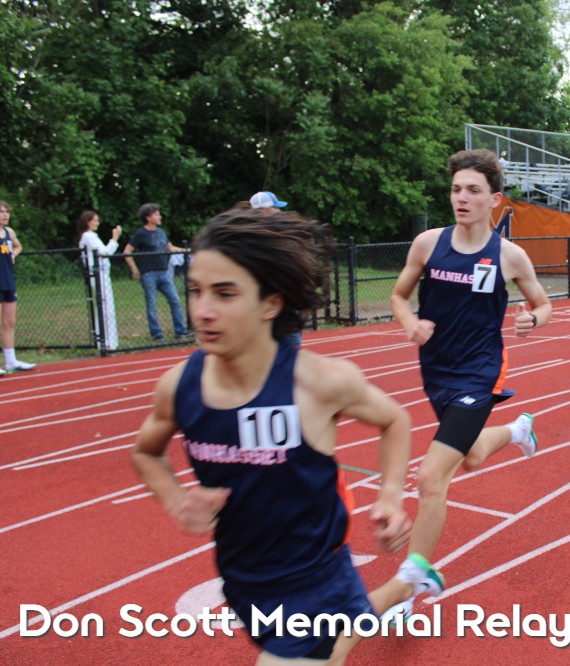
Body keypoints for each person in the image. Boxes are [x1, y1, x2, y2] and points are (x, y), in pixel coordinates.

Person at [131, 208, 442, 665]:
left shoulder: (317, 382)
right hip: (244, 579)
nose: (203, 310)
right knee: (333, 651)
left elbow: (394, 420)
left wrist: (391, 497)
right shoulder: (179, 386)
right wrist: (175, 500)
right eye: (195, 291)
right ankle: (404, 585)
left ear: (270, 304)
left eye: (225, 294)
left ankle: (397, 587)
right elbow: (146, 452)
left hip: (316, 579)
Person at [388, 148, 552, 615]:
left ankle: (408, 588)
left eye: (473, 190)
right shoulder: (428, 244)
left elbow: (543, 304)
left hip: (480, 372)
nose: (462, 198)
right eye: (457, 189)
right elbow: (399, 296)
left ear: (494, 200)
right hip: (436, 369)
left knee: (432, 476)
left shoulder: (509, 256)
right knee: (473, 456)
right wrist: (410, 323)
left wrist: (532, 320)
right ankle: (517, 431)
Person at [124, 204, 189, 341]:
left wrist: (187, 250)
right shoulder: (140, 234)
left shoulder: (161, 232)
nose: (160, 217)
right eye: (156, 214)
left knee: (175, 300)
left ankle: (180, 331)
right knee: (152, 305)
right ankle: (156, 334)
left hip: (164, 272)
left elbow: (170, 248)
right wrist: (135, 270)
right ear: (148, 218)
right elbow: (127, 252)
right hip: (149, 274)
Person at [248, 191, 302, 347]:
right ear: (265, 210)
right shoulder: (257, 236)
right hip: (275, 300)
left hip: (277, 299)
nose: (279, 211)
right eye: (275, 207)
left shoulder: (277, 232)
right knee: (290, 347)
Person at [76, 211, 123, 350]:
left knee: (105, 306)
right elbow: (104, 252)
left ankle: (105, 339)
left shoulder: (91, 236)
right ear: (88, 222)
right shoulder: (88, 236)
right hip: (98, 274)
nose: (98, 223)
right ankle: (106, 341)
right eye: (95, 220)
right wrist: (115, 238)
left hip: (102, 274)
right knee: (106, 306)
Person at [0, 200, 36, 373]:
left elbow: (18, 245)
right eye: (1, 212)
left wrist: (13, 254)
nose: (5, 215)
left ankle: (10, 361)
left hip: (8, 281)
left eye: (7, 212)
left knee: (9, 321)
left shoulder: (9, 232)